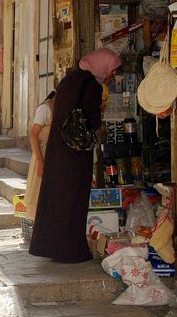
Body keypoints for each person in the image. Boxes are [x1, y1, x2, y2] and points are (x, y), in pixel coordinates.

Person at [29, 48, 121, 263]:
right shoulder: (91, 86)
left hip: (58, 151)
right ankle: (70, 250)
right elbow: (93, 122)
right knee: (73, 200)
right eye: (111, 70)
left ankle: (51, 247)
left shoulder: (69, 80)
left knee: (56, 199)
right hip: (76, 154)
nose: (111, 75)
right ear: (102, 65)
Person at [23, 91, 56, 224]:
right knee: (39, 193)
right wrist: (40, 161)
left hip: (55, 157)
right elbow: (33, 135)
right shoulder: (45, 109)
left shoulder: (62, 108)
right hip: (42, 155)